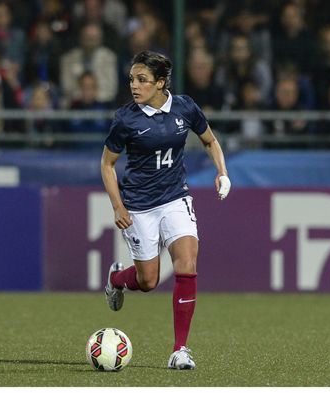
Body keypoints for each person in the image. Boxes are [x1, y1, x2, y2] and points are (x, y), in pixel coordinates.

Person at [100, 51, 230, 370]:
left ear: (160, 83)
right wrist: (118, 205)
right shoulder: (126, 119)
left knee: (186, 264)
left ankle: (180, 350)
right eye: (132, 78)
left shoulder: (185, 107)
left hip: (175, 198)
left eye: (142, 80)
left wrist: (222, 172)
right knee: (148, 282)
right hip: (139, 206)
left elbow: (211, 141)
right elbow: (107, 164)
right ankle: (117, 279)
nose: (134, 85)